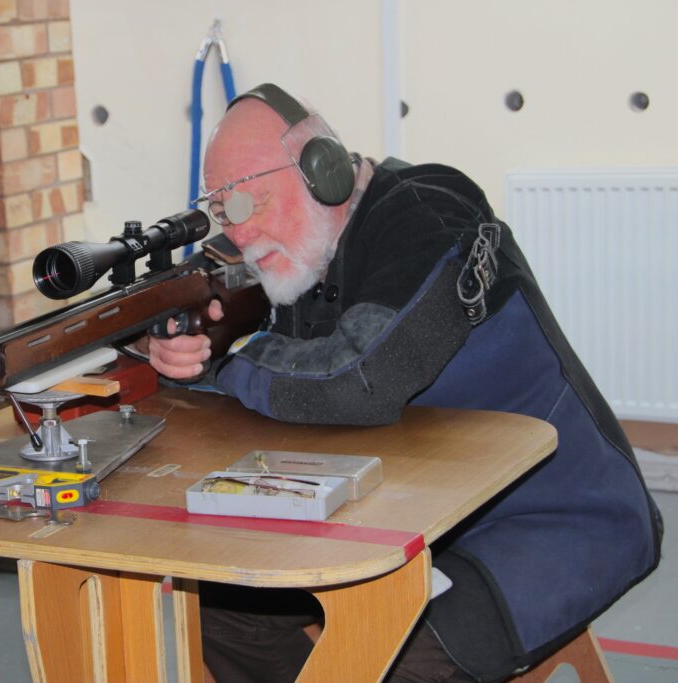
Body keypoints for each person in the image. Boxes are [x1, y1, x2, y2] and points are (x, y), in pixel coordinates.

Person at [148, 83, 663, 683]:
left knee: (386, 656)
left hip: (549, 519)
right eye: (222, 210)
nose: (238, 235)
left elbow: (358, 381)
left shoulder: (432, 211)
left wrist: (231, 357)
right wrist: (179, 350)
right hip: (399, 516)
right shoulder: (301, 250)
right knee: (223, 614)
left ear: (324, 170)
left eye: (251, 204)